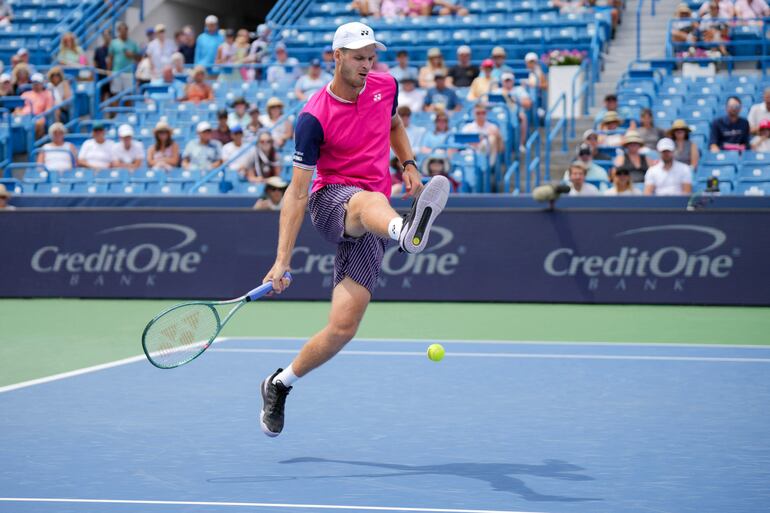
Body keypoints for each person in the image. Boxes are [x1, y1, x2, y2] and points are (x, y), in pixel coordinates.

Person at [258, 22, 450, 438]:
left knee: (343, 327)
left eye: (371, 57)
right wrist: (281, 261)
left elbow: (394, 124)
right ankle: (405, 231)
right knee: (368, 201)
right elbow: (294, 194)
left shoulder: (386, 86)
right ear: (337, 57)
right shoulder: (313, 117)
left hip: (371, 213)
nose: (367, 64)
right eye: (358, 57)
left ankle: (278, 384)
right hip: (331, 202)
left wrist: (410, 165)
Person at [495, 71, 532, 152]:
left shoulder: (519, 90)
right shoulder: (497, 91)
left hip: (516, 113)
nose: (508, 82)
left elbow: (528, 104)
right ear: (502, 82)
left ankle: (521, 144)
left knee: (523, 117)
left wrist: (516, 101)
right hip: (499, 114)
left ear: (513, 81)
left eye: (509, 80)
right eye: (506, 80)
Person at [108, 22, 140, 96]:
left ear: (127, 30)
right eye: (121, 30)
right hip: (116, 72)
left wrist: (132, 55)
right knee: (115, 94)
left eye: (125, 30)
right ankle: (116, 108)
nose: (123, 32)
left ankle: (127, 108)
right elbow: (110, 58)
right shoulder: (113, 43)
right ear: (118, 31)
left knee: (128, 95)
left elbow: (139, 58)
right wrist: (109, 72)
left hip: (128, 72)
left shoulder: (133, 43)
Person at [18, 73, 54, 139]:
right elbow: (18, 108)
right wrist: (19, 115)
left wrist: (40, 116)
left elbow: (48, 109)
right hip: (24, 116)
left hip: (38, 117)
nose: (36, 85)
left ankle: (32, 144)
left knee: (38, 124)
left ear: (42, 83)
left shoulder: (48, 94)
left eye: (38, 83)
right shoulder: (25, 94)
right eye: (34, 83)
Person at [93, 29, 112, 103]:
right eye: (105, 35)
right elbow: (95, 63)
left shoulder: (113, 49)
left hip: (112, 77)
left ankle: (112, 114)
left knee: (113, 97)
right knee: (101, 98)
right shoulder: (98, 50)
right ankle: (100, 114)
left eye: (108, 35)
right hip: (101, 77)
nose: (107, 37)